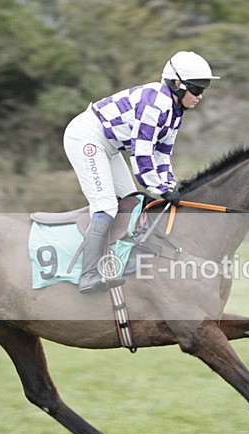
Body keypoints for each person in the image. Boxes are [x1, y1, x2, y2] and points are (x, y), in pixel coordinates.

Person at [63, 51, 220, 293]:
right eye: (197, 89)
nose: (200, 96)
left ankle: (118, 263)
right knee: (105, 206)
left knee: (132, 203)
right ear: (177, 85)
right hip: (86, 137)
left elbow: (163, 154)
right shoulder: (155, 104)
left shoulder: (175, 112)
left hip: (110, 146)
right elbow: (142, 154)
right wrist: (158, 189)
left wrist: (168, 186)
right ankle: (88, 275)